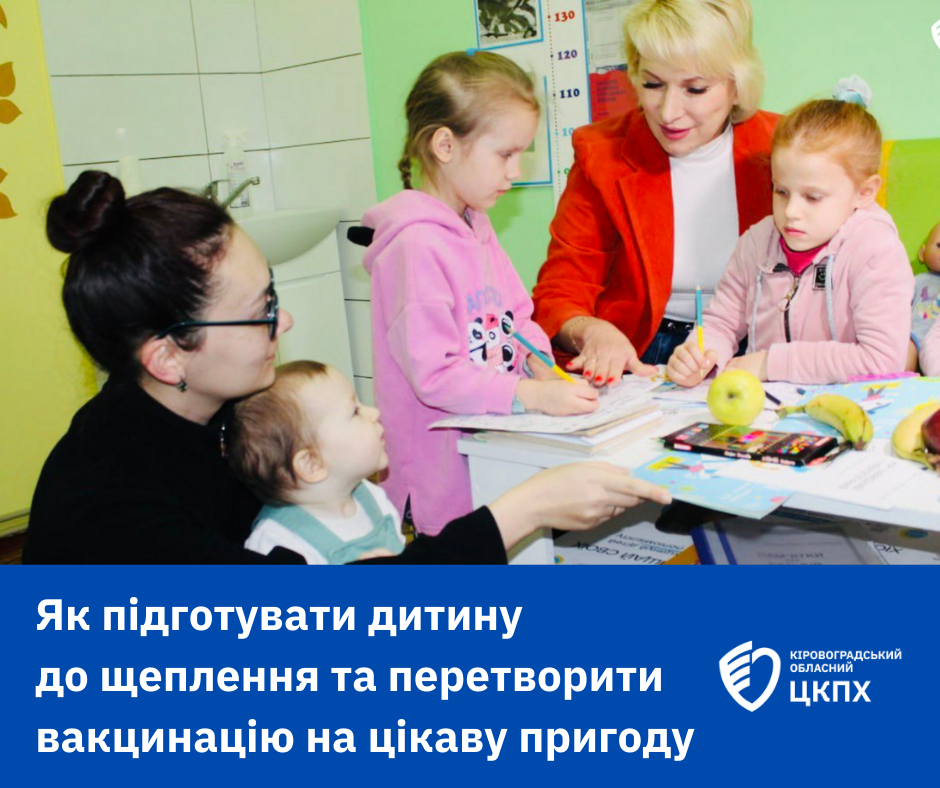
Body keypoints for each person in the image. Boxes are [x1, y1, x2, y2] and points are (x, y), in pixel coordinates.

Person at [24, 171, 670, 565]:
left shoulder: (216, 413)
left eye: (274, 296)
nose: (284, 322)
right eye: (260, 311)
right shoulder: (110, 507)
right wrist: (524, 510)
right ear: (167, 356)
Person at [362, 51, 599, 537]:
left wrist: (541, 366)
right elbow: (434, 375)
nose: (515, 172)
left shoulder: (476, 225)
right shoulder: (415, 245)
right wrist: (530, 394)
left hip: (486, 450)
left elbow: (517, 318)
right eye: (505, 155)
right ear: (445, 145)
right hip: (437, 476)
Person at [532, 0, 776, 384]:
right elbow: (561, 290)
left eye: (695, 88)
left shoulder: (783, 147)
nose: (668, 112)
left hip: (758, 344)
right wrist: (591, 332)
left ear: (737, 86)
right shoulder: (601, 153)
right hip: (643, 350)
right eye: (653, 84)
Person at [666, 80, 914, 386]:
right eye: (781, 191)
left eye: (813, 197)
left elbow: (881, 359)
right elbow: (721, 324)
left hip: (851, 403)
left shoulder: (876, 250)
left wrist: (771, 364)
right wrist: (700, 355)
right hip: (765, 405)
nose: (791, 211)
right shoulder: (756, 243)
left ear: (864, 192)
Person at [228, 360, 405, 565]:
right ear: (312, 464)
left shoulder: (374, 498)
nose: (374, 413)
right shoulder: (277, 542)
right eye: (355, 411)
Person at [910, 221, 940, 372]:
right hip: (916, 333)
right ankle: (901, 377)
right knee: (906, 350)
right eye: (939, 246)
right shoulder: (918, 280)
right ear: (922, 253)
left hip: (937, 340)